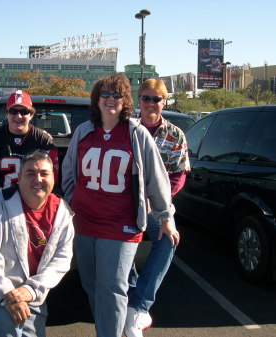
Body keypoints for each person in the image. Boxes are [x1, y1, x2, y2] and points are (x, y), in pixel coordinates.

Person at [62, 73, 174, 337]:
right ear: (96, 99)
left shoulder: (137, 134)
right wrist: (70, 205)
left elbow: (156, 178)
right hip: (84, 224)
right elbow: (69, 174)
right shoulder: (83, 131)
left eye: (117, 95)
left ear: (124, 101)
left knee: (112, 289)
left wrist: (165, 216)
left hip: (121, 225)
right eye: (105, 94)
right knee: (92, 286)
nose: (111, 99)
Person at [0, 151, 74, 337]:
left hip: (32, 291)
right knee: (6, 327)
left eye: (44, 173)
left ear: (53, 177)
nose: (38, 179)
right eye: (30, 173)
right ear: (18, 178)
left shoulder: (62, 211)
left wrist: (30, 290)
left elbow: (62, 260)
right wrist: (7, 295)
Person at [124, 78, 190, 337]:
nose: (151, 104)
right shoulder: (125, 128)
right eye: (146, 98)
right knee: (125, 237)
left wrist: (156, 203)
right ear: (138, 101)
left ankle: (139, 305)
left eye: (157, 99)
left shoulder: (174, 135)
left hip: (156, 207)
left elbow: (178, 176)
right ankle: (130, 294)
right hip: (124, 203)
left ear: (164, 102)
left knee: (168, 240)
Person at [0, 90, 59, 241]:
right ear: (6, 113)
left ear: (31, 114)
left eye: (24, 111)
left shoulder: (44, 140)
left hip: (35, 195)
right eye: (13, 111)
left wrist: (31, 203)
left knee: (56, 221)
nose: (18, 116)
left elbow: (50, 179)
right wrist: (4, 203)